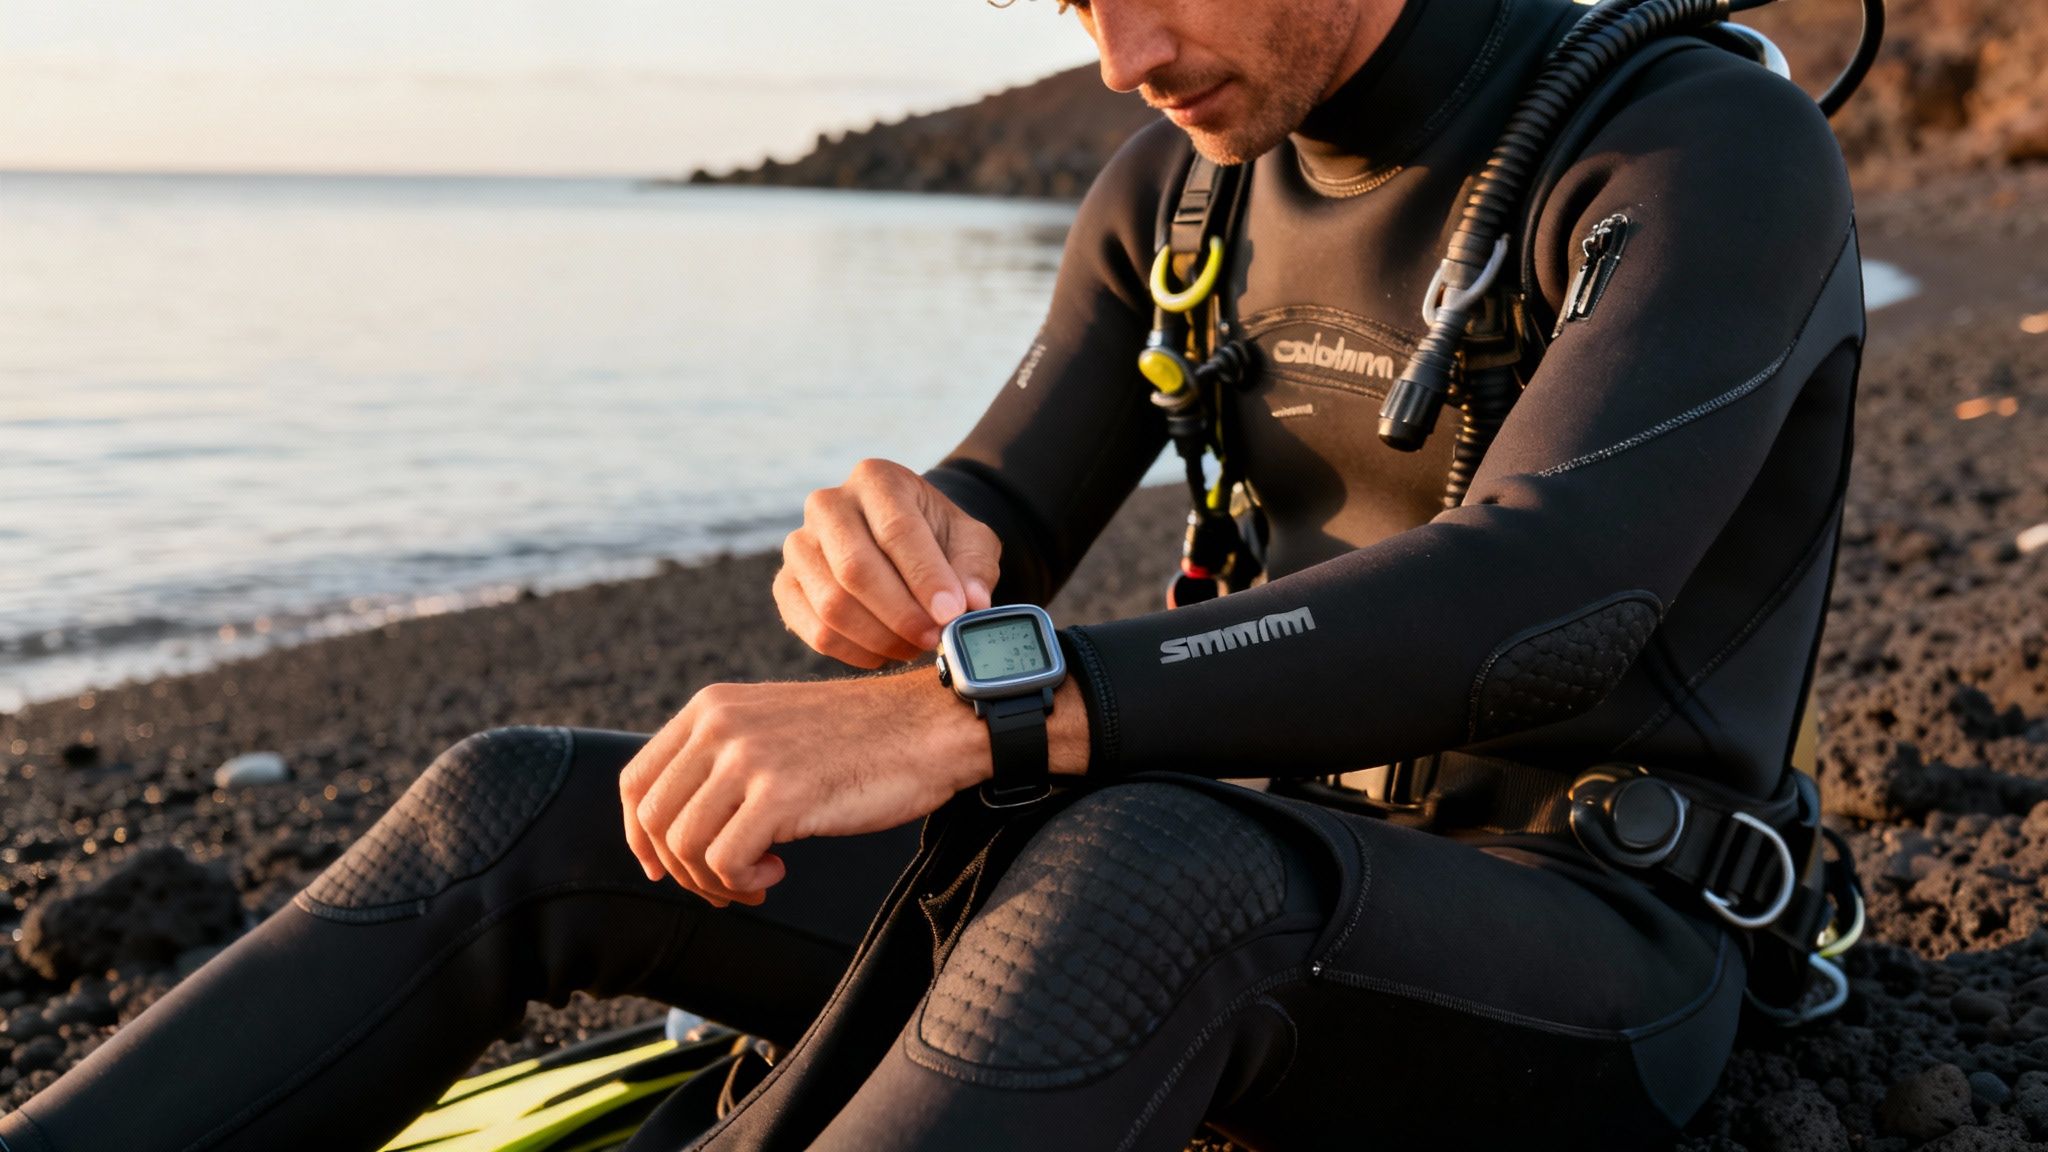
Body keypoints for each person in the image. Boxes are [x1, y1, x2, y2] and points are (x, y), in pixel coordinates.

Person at [0, 0, 1865, 1147]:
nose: (1123, 54)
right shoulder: (1183, 197)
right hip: (1213, 904)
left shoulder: (1694, 142)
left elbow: (1548, 600)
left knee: (1143, 860)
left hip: (1587, 962)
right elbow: (994, 509)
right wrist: (887, 562)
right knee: (524, 811)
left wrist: (978, 712)